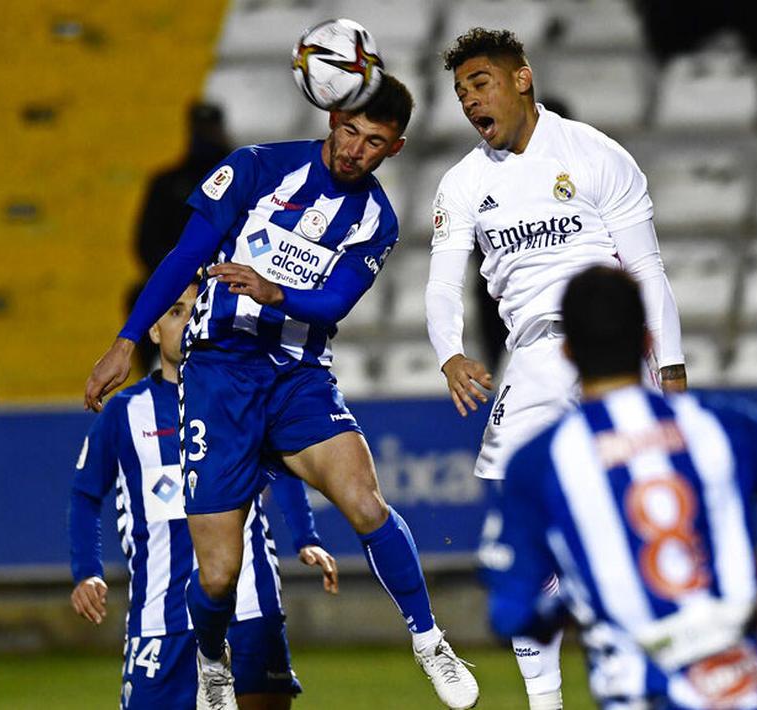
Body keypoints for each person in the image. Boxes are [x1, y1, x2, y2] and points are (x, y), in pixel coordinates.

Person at [84, 75, 479, 710]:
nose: (355, 150)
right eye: (349, 131)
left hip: (298, 376)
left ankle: (430, 640)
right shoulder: (256, 168)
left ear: (395, 148)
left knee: (367, 503)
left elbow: (334, 302)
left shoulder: (376, 217)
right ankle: (213, 659)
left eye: (373, 142)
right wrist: (127, 340)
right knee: (216, 575)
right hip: (219, 376)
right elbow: (185, 255)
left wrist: (275, 293)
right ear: (331, 119)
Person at [425, 28, 687, 710]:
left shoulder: (596, 156)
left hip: (616, 354)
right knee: (521, 529)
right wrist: (449, 352)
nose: (468, 100)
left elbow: (646, 269)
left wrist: (673, 367)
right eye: (459, 92)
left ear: (521, 79)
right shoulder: (463, 184)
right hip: (538, 357)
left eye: (479, 83)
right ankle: (546, 702)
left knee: (646, 518)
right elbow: (441, 285)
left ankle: (656, 679)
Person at [482, 265, 757, 709]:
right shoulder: (721, 424)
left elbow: (508, 612)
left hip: (642, 693)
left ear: (567, 353)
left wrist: (575, 597)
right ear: (647, 341)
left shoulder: (541, 462)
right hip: (746, 690)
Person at [70, 280, 340, 710]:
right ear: (153, 330)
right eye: (175, 312)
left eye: (196, 311)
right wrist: (87, 570)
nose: (188, 321)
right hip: (162, 617)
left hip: (248, 608)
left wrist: (306, 537)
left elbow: (286, 470)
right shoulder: (124, 413)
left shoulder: (246, 397)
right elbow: (85, 494)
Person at [129, 103, 233, 370]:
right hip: (176, 275)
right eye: (201, 130)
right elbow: (146, 242)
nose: (206, 136)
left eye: (210, 129)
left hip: (228, 274)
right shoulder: (166, 183)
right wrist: (179, 273)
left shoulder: (243, 182)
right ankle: (156, 369)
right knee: (138, 294)